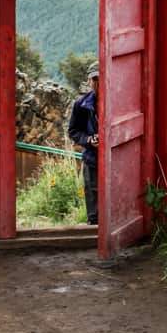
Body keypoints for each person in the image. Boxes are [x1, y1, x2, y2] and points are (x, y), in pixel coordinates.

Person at [68, 62, 99, 225]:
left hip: (115, 159)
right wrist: (88, 140)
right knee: (93, 210)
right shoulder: (81, 105)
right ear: (89, 81)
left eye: (100, 78)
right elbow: (73, 131)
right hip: (91, 159)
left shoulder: (117, 102)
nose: (98, 82)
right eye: (95, 78)